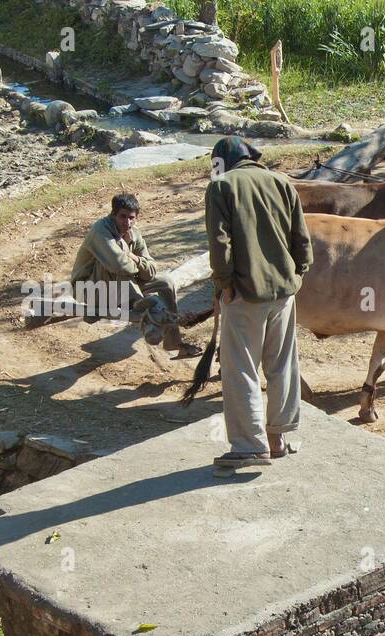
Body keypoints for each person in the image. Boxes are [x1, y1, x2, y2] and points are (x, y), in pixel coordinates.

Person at [203, 136, 312, 470]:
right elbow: (302, 238)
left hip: (244, 293)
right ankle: (278, 438)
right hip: (283, 291)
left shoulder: (221, 187)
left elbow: (219, 242)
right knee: (282, 365)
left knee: (241, 370)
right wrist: (298, 275)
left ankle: (250, 446)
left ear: (222, 162)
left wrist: (224, 286)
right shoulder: (281, 182)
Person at [47, 193, 200, 357]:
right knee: (116, 265)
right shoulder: (101, 230)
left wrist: (133, 257)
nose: (127, 222)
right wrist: (133, 260)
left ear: (137, 217)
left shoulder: (134, 233)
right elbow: (119, 265)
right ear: (113, 215)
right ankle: (142, 308)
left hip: (119, 285)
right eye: (122, 217)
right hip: (89, 289)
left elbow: (151, 270)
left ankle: (173, 342)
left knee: (166, 282)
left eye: (131, 218)